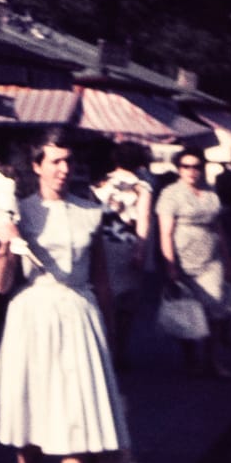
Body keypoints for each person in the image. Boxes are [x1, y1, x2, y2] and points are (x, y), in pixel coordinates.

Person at [0, 131, 129, 463]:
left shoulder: (90, 211)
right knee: (34, 407)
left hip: (79, 317)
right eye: (55, 161)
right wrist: (5, 247)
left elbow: (101, 278)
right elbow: (1, 285)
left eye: (68, 161)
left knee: (76, 418)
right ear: (37, 166)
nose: (64, 169)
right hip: (33, 317)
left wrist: (111, 331)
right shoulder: (19, 211)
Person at [156, 147, 231, 378]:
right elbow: (165, 232)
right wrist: (170, 265)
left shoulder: (210, 194)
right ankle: (190, 357)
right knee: (188, 312)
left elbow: (218, 228)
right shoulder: (170, 194)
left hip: (211, 259)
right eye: (186, 166)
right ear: (179, 169)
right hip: (184, 261)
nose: (191, 171)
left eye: (196, 166)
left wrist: (227, 258)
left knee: (215, 308)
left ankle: (212, 360)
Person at [91, 142, 154, 367]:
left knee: (104, 299)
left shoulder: (99, 183)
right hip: (127, 245)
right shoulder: (141, 187)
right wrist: (140, 250)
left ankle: (105, 347)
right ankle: (120, 351)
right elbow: (143, 220)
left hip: (102, 245)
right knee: (127, 304)